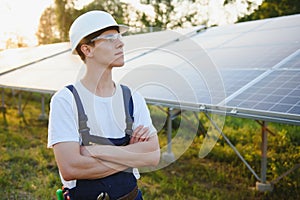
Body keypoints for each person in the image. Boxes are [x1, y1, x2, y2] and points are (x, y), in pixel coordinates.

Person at [47, 10, 160, 200]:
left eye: (119, 37)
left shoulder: (133, 98)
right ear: (87, 50)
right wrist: (132, 156)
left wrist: (98, 151)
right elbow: (70, 167)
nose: (121, 43)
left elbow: (153, 156)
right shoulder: (66, 100)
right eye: (110, 38)